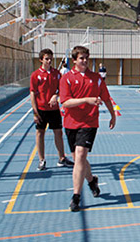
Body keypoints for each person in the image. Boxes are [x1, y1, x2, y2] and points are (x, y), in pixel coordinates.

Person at [59, 46, 117, 212]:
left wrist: (112, 115)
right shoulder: (67, 79)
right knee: (79, 160)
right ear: (74, 60)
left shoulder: (96, 78)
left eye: (86, 57)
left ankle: (76, 197)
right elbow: (65, 102)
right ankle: (91, 180)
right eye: (81, 58)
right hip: (71, 123)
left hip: (89, 123)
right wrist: (86, 100)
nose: (84, 61)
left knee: (80, 155)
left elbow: (106, 98)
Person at [29, 49, 72, 171]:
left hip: (54, 109)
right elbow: (32, 93)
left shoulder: (57, 73)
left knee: (58, 132)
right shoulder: (35, 75)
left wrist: (56, 95)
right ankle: (42, 160)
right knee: (40, 133)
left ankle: (61, 158)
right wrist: (35, 112)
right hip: (41, 109)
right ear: (41, 60)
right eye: (46, 59)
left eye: (50, 59)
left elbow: (61, 88)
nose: (49, 61)